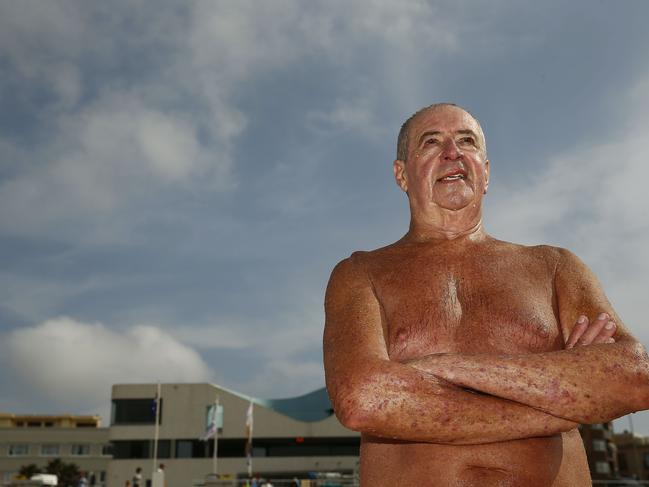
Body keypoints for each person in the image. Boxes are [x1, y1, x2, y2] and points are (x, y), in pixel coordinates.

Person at [323, 103, 649, 486]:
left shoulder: (555, 267)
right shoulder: (360, 273)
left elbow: (633, 377)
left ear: (487, 171)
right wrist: (564, 405)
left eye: (467, 141)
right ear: (401, 175)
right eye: (431, 142)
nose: (452, 152)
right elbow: (364, 399)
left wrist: (444, 366)